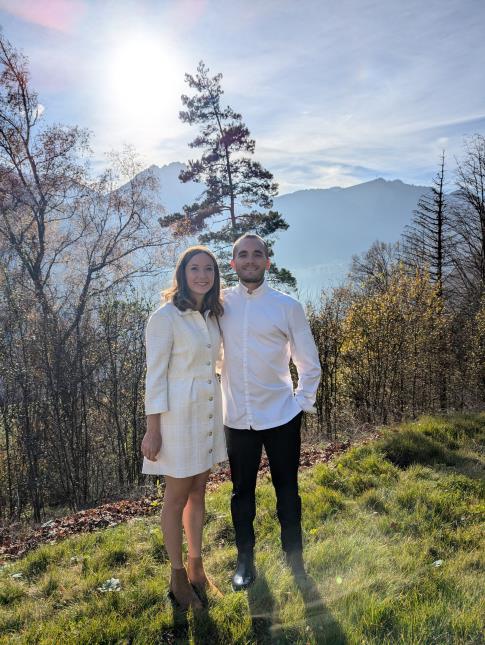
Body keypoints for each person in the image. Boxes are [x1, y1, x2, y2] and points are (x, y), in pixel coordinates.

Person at [220, 233, 321, 591]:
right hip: (236, 418)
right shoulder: (219, 304)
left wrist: (300, 404)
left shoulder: (287, 306)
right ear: (233, 263)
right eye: (242, 255)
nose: (250, 260)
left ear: (267, 261)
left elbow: (309, 363)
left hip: (281, 417)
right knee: (241, 492)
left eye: (256, 254)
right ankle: (245, 561)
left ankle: (295, 559)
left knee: (287, 490)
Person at [141, 245, 227, 610]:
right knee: (175, 497)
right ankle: (176, 577)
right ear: (182, 273)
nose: (202, 275)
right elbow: (155, 377)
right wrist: (152, 428)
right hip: (177, 416)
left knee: (198, 492)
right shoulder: (165, 317)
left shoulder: (210, 316)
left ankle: (196, 567)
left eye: (209, 269)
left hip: (207, 413)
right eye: (195, 268)